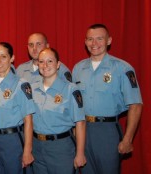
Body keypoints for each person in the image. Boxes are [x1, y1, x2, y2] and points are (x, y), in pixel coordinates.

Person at [72, 24, 143, 174]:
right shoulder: (78, 69)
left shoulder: (122, 68)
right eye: (90, 39)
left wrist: (128, 139)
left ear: (109, 41)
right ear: (85, 42)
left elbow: (135, 105)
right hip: (82, 129)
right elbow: (74, 104)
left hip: (107, 131)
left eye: (99, 39)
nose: (94, 43)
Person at [31, 48, 86, 174]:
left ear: (58, 64)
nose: (45, 65)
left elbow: (80, 123)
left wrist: (80, 153)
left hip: (61, 147)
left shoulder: (70, 90)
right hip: (37, 146)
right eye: (41, 62)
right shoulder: (33, 89)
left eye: (50, 61)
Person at [0, 42, 35, 174]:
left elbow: (28, 120)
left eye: (3, 56)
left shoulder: (21, 84)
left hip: (12, 140)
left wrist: (27, 150)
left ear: (12, 58)